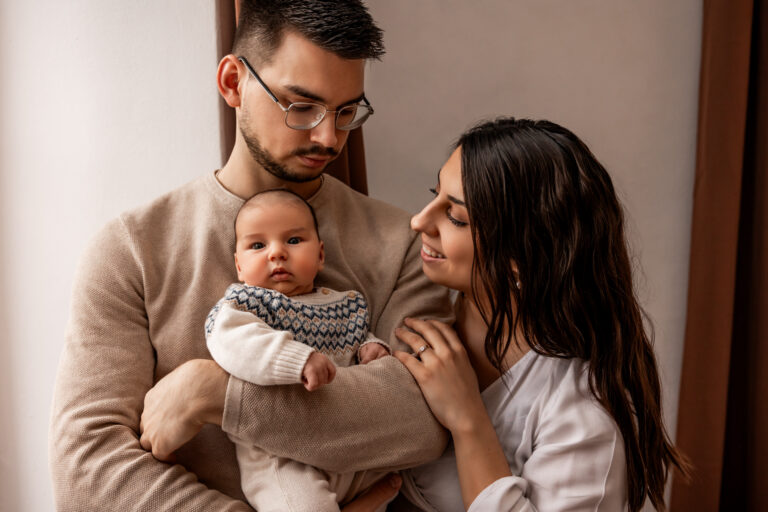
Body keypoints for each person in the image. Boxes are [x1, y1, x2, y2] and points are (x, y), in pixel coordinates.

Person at [49, 1, 452, 510]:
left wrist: (219, 394)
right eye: (301, 106)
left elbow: (423, 419)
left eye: (347, 111)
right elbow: (86, 470)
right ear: (233, 82)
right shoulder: (130, 248)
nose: (329, 137)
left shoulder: (404, 242)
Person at [389, 117, 690, 511]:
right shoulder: (407, 307)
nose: (418, 221)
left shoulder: (582, 419)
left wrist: (467, 420)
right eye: (434, 195)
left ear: (519, 257)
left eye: (456, 217)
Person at [207, 188, 392, 511]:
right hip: (278, 453)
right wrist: (297, 358)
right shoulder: (245, 305)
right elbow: (234, 342)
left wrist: (371, 347)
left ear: (320, 255)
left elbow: (351, 341)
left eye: (293, 241)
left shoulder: (344, 305)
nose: (277, 253)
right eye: (257, 245)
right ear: (239, 265)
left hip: (347, 442)